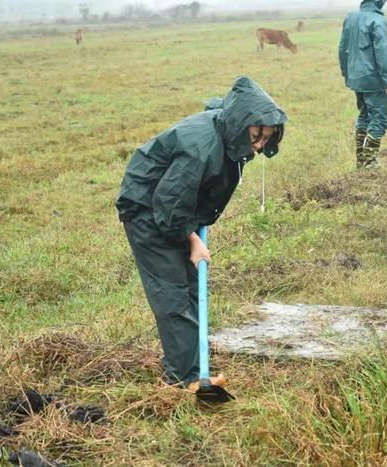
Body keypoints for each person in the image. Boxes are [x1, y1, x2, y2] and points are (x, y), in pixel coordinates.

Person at [116, 76, 286, 388]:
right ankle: (184, 379)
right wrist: (192, 239)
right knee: (173, 294)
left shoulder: (228, 129)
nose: (260, 146)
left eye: (266, 139)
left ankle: (193, 366)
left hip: (175, 208)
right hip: (148, 210)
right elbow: (168, 205)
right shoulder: (201, 147)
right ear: (241, 124)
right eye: (256, 136)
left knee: (191, 288)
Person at [339, 0, 387, 169]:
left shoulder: (350, 17)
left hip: (355, 76)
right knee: (379, 119)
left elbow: (342, 47)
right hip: (373, 79)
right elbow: (383, 51)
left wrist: (346, 72)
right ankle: (370, 161)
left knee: (364, 115)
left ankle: (361, 161)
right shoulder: (378, 21)